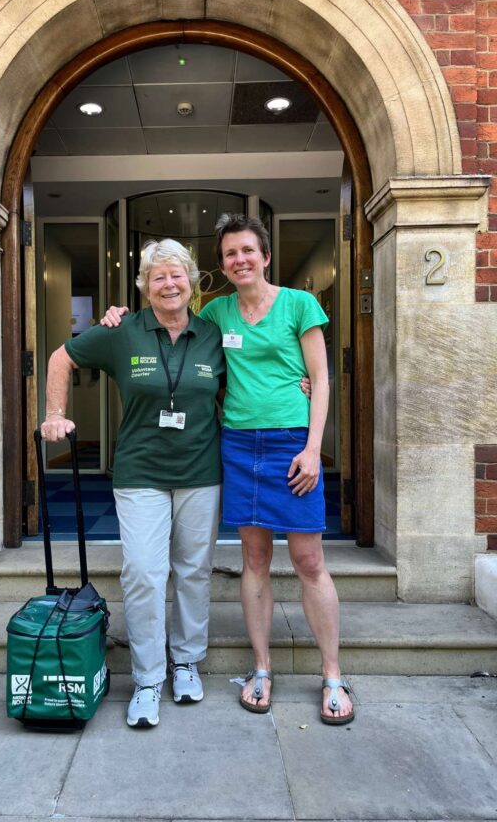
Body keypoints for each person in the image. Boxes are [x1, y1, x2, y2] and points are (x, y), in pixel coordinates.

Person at [101, 213, 355, 725]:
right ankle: (261, 668)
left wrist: (313, 447)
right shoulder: (215, 312)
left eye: (248, 250)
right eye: (230, 254)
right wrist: (119, 316)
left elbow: (321, 380)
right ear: (221, 266)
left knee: (309, 561)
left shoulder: (299, 305)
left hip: (291, 444)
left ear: (264, 255)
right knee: (254, 560)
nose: (240, 259)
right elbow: (174, 327)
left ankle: (332, 673)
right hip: (237, 444)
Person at [40, 239, 225, 728]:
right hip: (140, 472)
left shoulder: (212, 333)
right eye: (157, 277)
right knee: (144, 572)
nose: (168, 283)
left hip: (201, 472)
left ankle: (185, 662)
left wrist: (301, 382)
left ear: (191, 282)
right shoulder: (121, 331)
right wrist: (54, 415)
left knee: (194, 571)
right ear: (144, 286)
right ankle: (147, 678)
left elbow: (253, 371)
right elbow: (61, 358)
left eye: (177, 275)